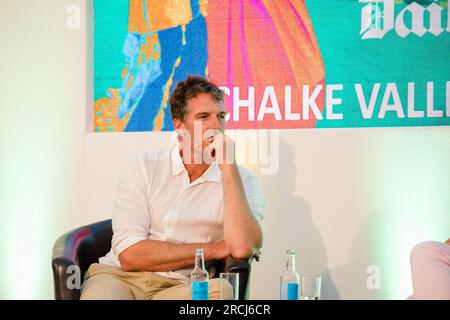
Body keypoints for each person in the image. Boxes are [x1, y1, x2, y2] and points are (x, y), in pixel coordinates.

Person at [81, 75, 265, 300]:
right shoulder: (143, 167)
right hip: (121, 278)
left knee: (223, 292)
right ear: (179, 127)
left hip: (183, 286)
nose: (216, 126)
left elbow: (243, 247)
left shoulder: (242, 180)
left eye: (221, 116)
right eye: (203, 117)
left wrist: (228, 169)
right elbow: (130, 256)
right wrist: (216, 249)